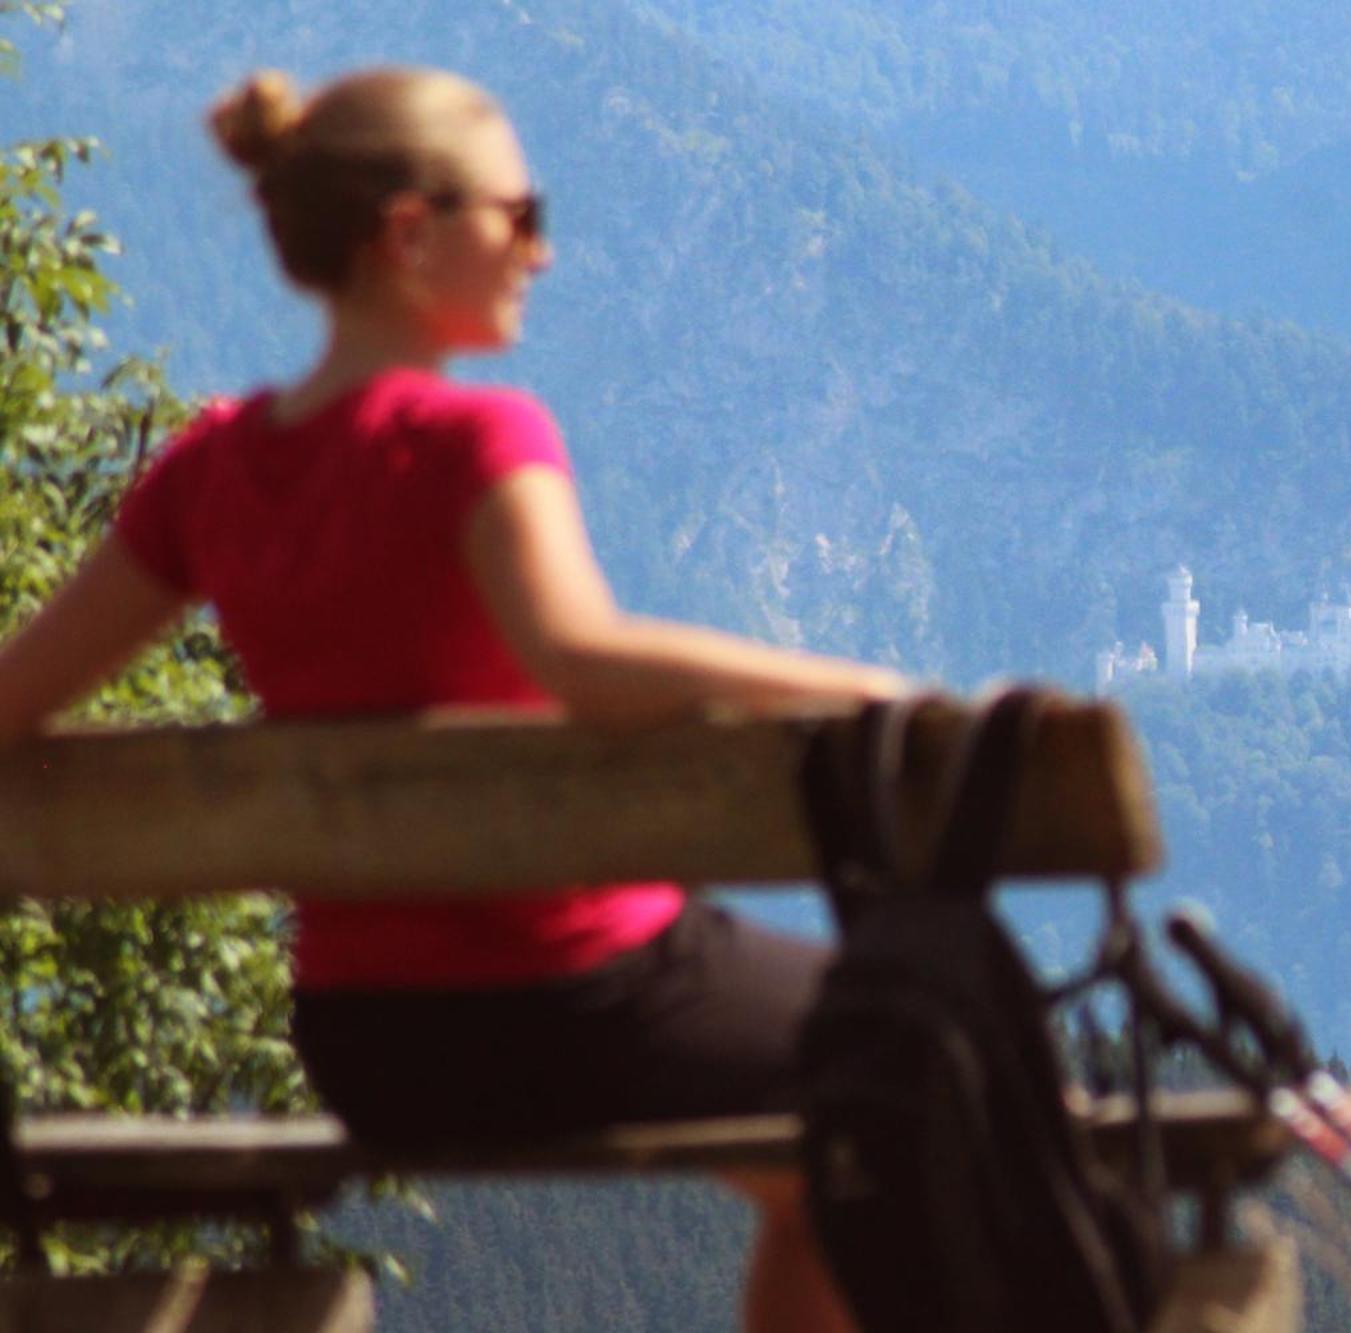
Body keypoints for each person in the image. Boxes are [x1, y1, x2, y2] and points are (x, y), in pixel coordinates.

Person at [0, 66, 899, 1333]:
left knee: (822, 1156)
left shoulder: (208, 475)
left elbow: (11, 700)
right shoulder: (476, 441)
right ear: (411, 234)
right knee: (917, 1045)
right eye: (516, 212)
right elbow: (584, 660)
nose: (540, 245)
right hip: (570, 991)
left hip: (367, 1040)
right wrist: (864, 688)